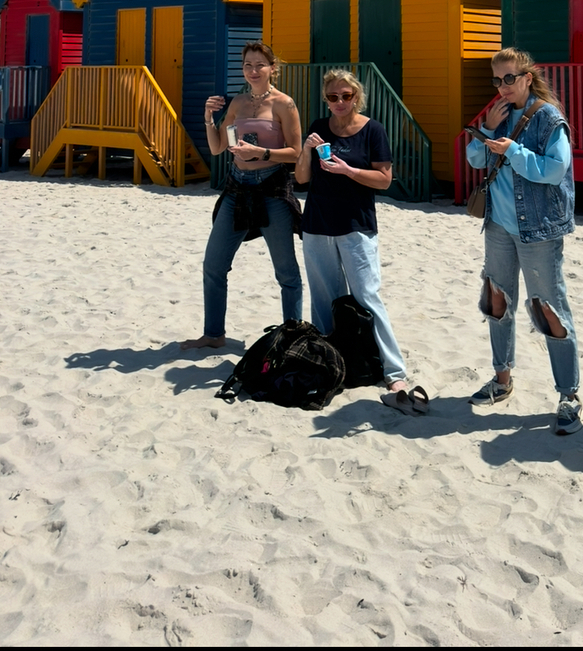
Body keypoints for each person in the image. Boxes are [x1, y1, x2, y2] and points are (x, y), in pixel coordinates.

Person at [465, 48, 583, 436]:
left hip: (539, 229)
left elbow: (555, 170)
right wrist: (486, 129)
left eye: (509, 78)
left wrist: (512, 149)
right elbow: (475, 160)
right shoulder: (497, 114)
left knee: (549, 308)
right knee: (496, 301)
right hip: (498, 226)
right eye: (496, 80)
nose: (502, 86)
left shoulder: (548, 117)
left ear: (527, 78)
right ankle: (502, 380)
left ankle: (569, 395)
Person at [294, 70, 424, 412]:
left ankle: (394, 372)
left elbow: (384, 179)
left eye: (346, 96)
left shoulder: (372, 130)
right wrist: (306, 150)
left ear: (357, 97)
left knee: (367, 296)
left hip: (356, 224)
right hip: (317, 223)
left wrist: (349, 171)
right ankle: (330, 363)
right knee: (323, 297)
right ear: (326, 99)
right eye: (332, 97)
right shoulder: (318, 127)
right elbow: (302, 179)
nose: (339, 102)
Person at [180, 42, 303, 350]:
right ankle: (213, 334)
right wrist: (208, 118)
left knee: (286, 272)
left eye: (260, 64)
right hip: (237, 188)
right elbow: (217, 148)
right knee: (213, 265)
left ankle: (291, 338)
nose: (253, 70)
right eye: (248, 65)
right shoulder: (237, 102)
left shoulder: (284, 104)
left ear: (272, 67)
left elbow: (296, 153)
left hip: (272, 189)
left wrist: (261, 152)